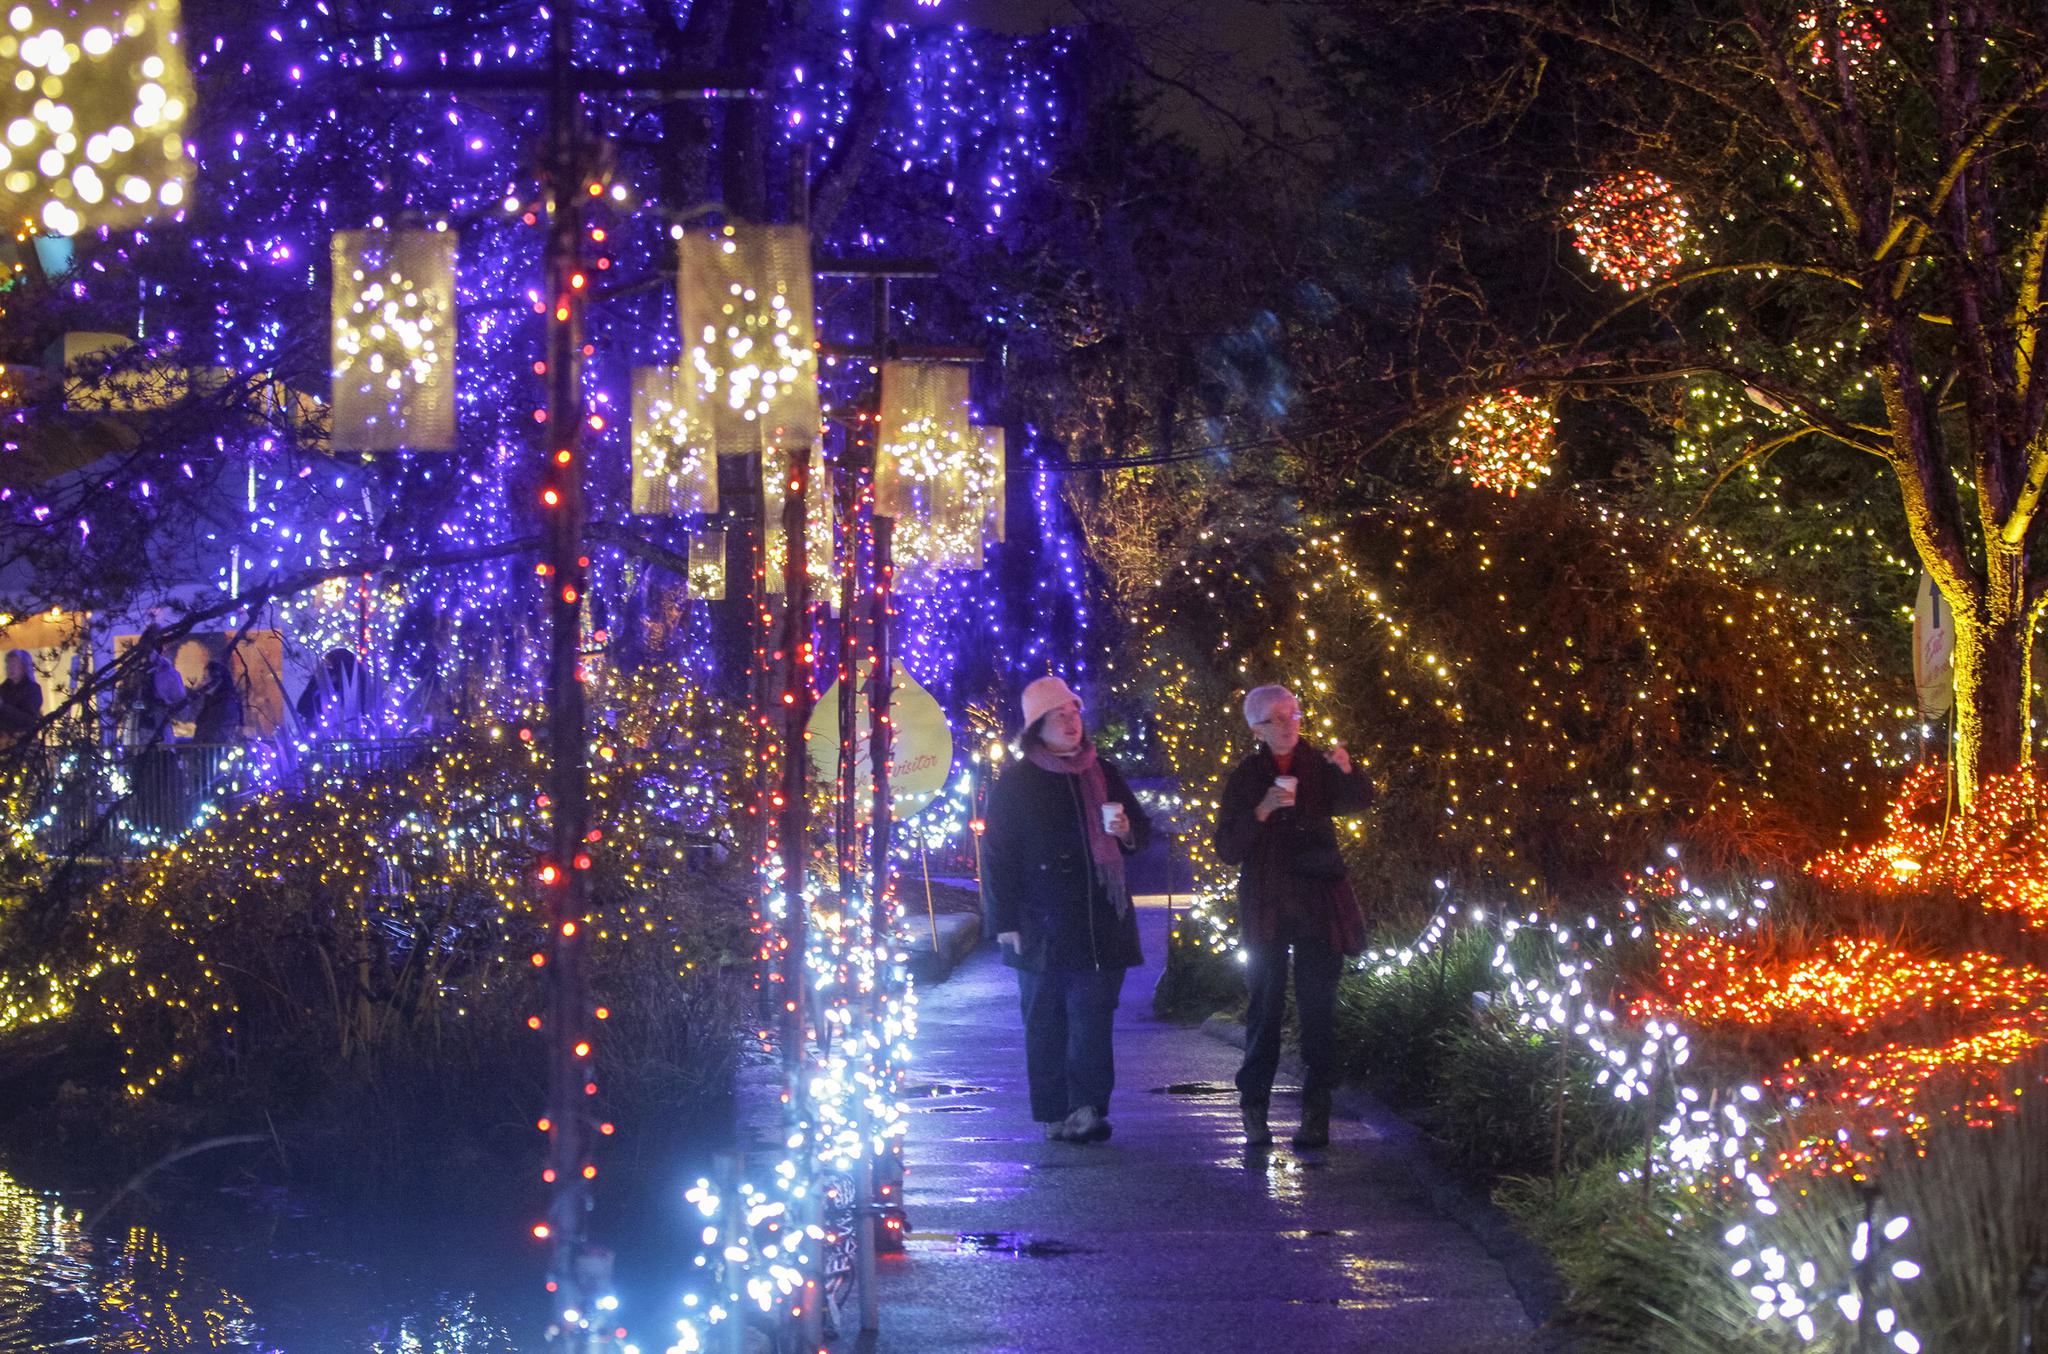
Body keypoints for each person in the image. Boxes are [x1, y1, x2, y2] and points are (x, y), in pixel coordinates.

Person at [982, 675, 1153, 1144]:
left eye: (1074, 712)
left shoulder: (1103, 771)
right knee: (1046, 1017)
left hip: (1101, 919)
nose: (1070, 721)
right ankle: (1056, 1111)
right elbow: (998, 854)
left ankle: (1089, 1108)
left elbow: (1141, 831)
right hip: (1043, 920)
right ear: (1036, 724)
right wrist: (1005, 921)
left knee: (1093, 1015)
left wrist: (1124, 831)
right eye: (1059, 714)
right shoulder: (1018, 782)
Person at [1214, 684, 1373, 1149]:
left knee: (1317, 1007)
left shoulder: (1318, 766)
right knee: (1264, 1005)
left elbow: (1357, 800)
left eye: (1295, 715)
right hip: (1267, 901)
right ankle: (1254, 1109)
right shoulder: (1246, 777)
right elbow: (1227, 848)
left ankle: (1316, 1111)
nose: (1290, 725)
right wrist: (1261, 811)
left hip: (1319, 899)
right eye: (1277, 718)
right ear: (1256, 729)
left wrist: (1349, 771)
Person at [190, 658, 244, 744]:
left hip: (215, 754)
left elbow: (216, 733)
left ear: (217, 681)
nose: (202, 683)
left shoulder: (225, 704)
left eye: (205, 678)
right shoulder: (211, 701)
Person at [0, 649, 42, 742]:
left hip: (23, 741)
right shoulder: (3, 689)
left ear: (24, 667)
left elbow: (28, 719)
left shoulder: (32, 689)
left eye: (14, 665)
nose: (10, 668)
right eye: (8, 664)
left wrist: (3, 706)